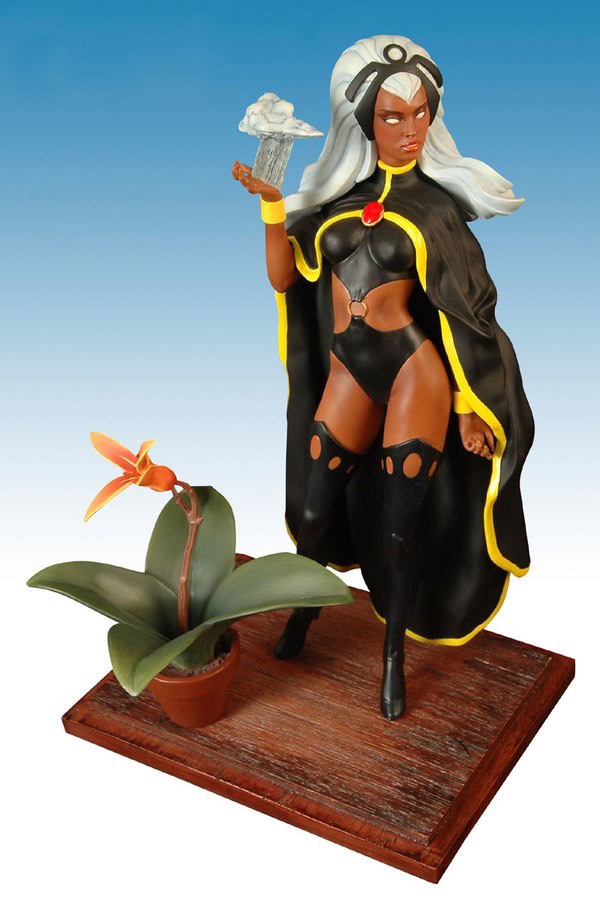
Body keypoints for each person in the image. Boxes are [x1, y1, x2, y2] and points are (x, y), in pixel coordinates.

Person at [232, 35, 534, 720]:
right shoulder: (339, 204)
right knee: (315, 509)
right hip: (350, 370)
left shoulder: (437, 211)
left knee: (401, 529)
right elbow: (285, 279)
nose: (409, 129)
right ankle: (306, 608)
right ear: (364, 121)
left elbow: (468, 314)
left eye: (420, 113)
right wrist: (274, 207)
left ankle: (393, 656)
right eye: (393, 116)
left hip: (412, 373)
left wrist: (469, 404)